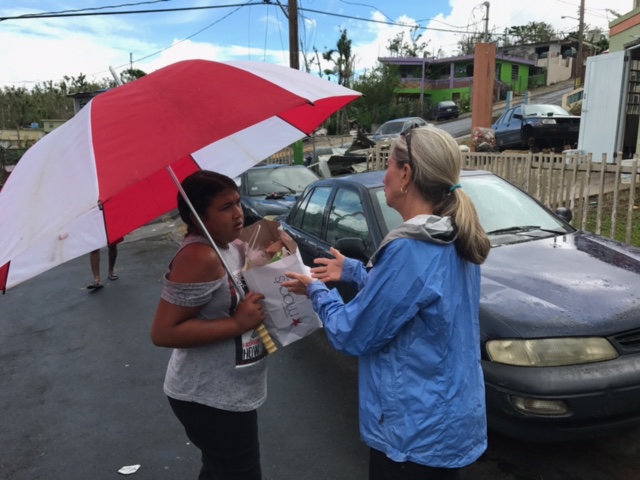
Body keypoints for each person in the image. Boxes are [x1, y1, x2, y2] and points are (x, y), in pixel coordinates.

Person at [283, 126, 491, 480]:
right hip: (446, 421)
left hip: (413, 435)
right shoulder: (451, 234)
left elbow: (353, 333)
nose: (385, 175)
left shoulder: (411, 247)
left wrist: (317, 292)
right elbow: (415, 304)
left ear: (406, 174)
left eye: (390, 165)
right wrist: (352, 271)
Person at [151, 170, 268, 480]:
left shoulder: (228, 246)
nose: (238, 213)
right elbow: (163, 332)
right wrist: (236, 323)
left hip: (231, 391)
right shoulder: (198, 256)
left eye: (238, 202)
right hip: (208, 398)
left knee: (219, 472)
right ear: (195, 216)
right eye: (225, 207)